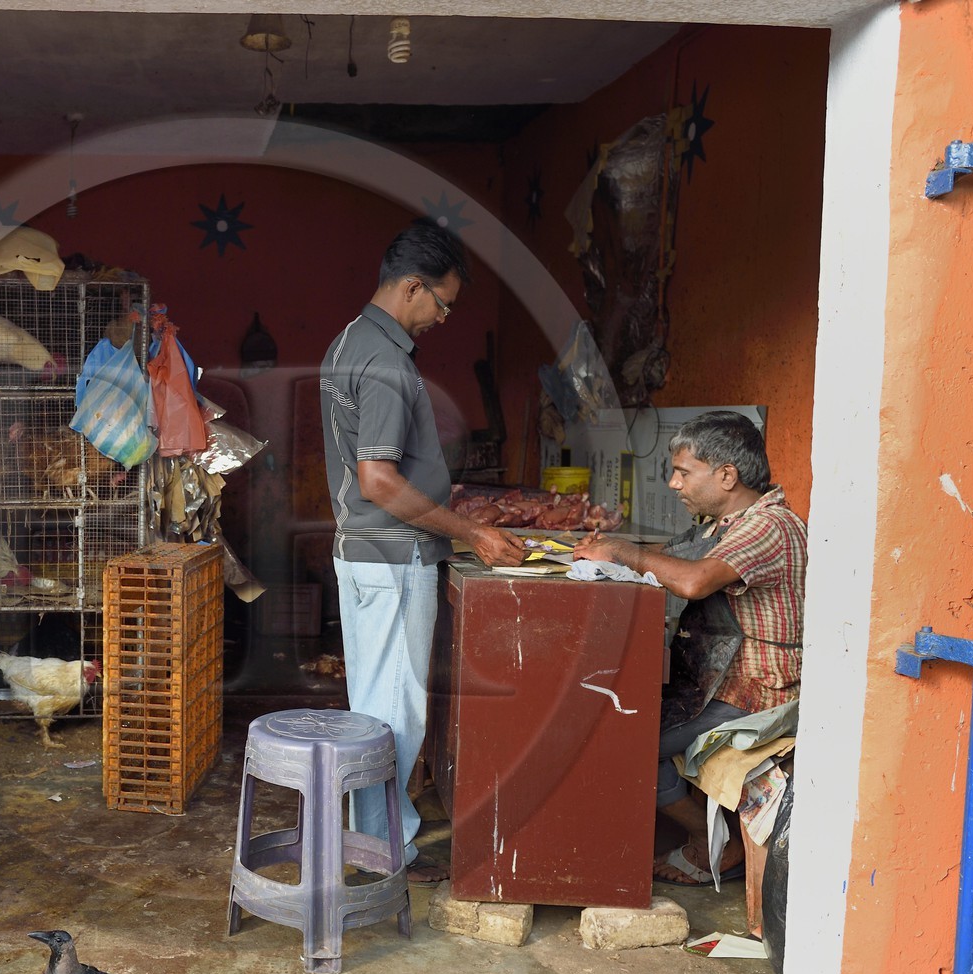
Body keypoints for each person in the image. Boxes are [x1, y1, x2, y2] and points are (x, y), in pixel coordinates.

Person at [319, 219, 526, 884]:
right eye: (442, 303)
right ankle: (385, 849)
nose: (442, 317)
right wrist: (469, 531)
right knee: (395, 708)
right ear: (412, 288)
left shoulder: (349, 341)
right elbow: (380, 479)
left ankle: (375, 835)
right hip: (395, 558)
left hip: (364, 553)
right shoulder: (383, 362)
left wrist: (447, 497)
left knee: (374, 700)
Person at [572, 410, 806, 885]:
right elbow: (675, 560)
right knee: (612, 718)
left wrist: (620, 553)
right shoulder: (719, 525)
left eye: (683, 472)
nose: (675, 485)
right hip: (719, 683)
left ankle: (717, 845)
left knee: (627, 741)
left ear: (726, 475)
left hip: (760, 691)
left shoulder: (769, 526)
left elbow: (695, 581)